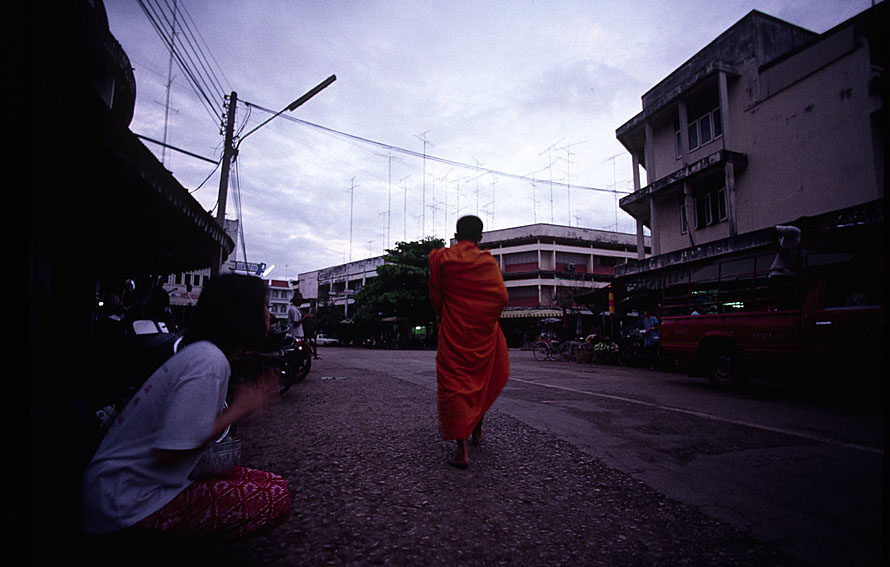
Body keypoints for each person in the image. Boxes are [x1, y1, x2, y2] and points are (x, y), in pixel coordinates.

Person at [81, 274, 291, 540]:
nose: (270, 314)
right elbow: (172, 452)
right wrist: (239, 409)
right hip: (127, 502)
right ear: (243, 313)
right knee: (275, 497)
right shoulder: (208, 362)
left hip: (122, 490)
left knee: (273, 481)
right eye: (265, 306)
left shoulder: (203, 354)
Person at [429, 215, 510, 469]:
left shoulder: (441, 259)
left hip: (454, 331)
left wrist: (444, 315)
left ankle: (462, 451)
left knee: (455, 386)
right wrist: (484, 320)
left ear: (456, 233)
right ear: (480, 237)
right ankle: (477, 428)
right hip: (482, 333)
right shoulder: (487, 262)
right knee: (480, 383)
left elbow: (436, 295)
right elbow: (501, 297)